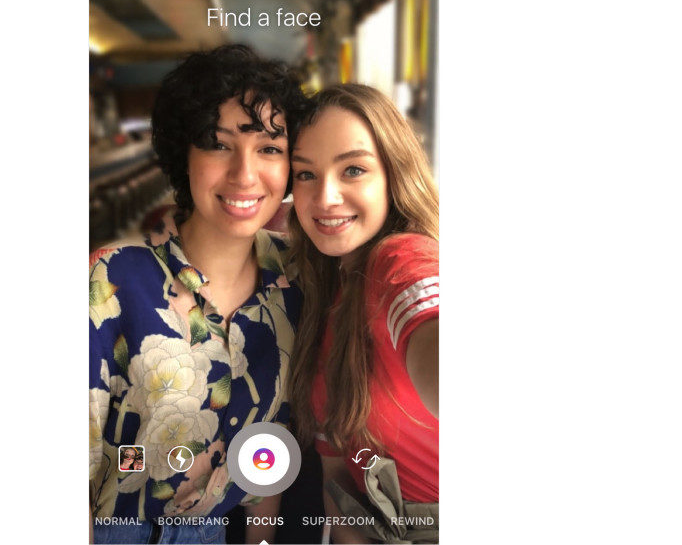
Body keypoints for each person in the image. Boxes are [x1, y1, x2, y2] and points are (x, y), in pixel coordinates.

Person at [90, 45, 308, 544]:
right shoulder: (111, 279)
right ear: (182, 155)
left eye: (269, 148)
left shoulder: (298, 280)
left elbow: (268, 447)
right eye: (217, 144)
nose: (244, 174)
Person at [288, 83, 439, 544]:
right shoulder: (326, 291)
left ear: (395, 174)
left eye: (353, 169)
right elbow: (339, 474)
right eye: (306, 174)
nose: (325, 197)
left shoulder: (401, 259)